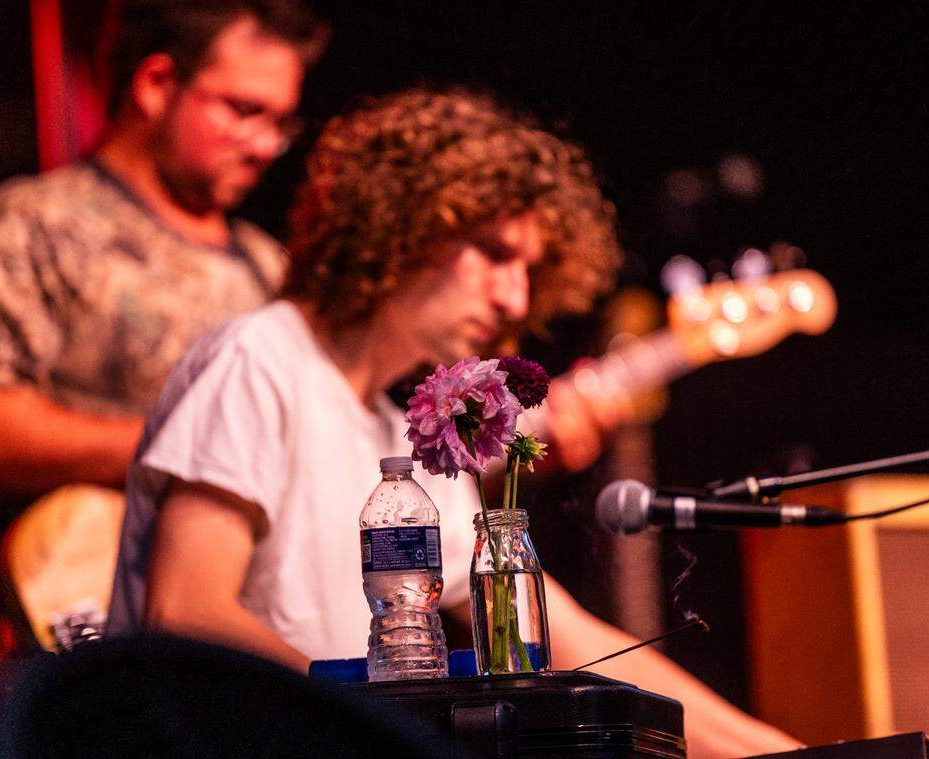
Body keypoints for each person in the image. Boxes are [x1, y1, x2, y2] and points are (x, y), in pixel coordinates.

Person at [107, 89, 801, 758]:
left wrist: (781, 752)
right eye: (495, 253)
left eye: (531, 270)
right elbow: (186, 613)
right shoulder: (259, 358)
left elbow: (567, 636)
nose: (515, 296)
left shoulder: (405, 440)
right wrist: (363, 732)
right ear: (403, 226)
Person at [0, 0, 326, 503]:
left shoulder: (269, 264)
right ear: (155, 83)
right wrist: (188, 443)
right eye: (244, 111)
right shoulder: (32, 224)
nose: (265, 145)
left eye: (281, 124)